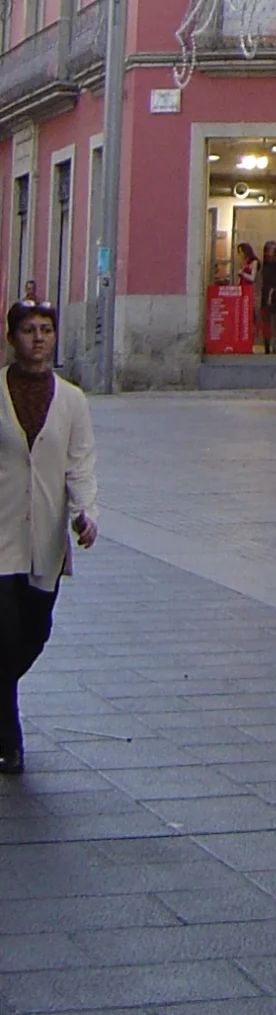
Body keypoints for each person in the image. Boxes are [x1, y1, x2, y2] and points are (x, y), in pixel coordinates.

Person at [0, 301, 98, 774]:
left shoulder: (73, 401)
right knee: (4, 633)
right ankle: (8, 741)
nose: (37, 339)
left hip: (46, 539)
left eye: (45, 330)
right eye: (27, 330)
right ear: (11, 337)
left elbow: (80, 464)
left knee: (35, 633)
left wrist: (85, 514)